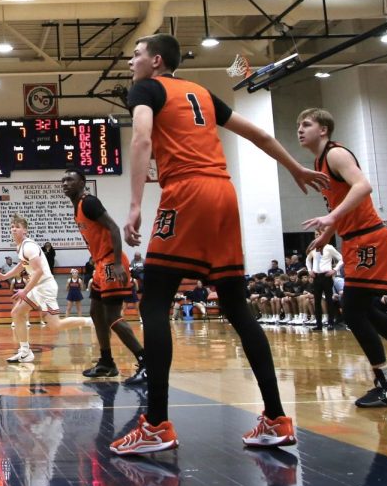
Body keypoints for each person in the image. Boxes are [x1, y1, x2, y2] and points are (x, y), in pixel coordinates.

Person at [111, 34, 327, 455]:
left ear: (156, 61)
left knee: (154, 304)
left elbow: (140, 139)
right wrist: (295, 168)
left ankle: (155, 424)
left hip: (187, 193)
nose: (130, 62)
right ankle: (276, 417)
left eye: (135, 55)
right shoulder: (202, 93)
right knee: (236, 306)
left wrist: (135, 204)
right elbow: (259, 135)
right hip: (224, 195)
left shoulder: (146, 89)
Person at [297, 108, 387, 408]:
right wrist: (329, 233)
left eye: (306, 124)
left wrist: (331, 217)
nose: (300, 129)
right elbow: (342, 201)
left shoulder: (336, 155)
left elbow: (363, 186)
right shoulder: (319, 161)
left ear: (323, 129)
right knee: (361, 310)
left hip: (368, 238)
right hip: (354, 240)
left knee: (353, 310)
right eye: (298, 125)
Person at [61, 170, 146, 383]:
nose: (65, 183)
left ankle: (146, 362)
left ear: (82, 183)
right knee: (96, 312)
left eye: (70, 179)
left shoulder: (89, 203)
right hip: (101, 263)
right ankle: (107, 362)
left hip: (111, 263)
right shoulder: (77, 207)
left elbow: (115, 229)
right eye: (63, 180)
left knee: (112, 316)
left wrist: (117, 263)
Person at [0, 216, 93, 364]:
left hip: (45, 286)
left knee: (55, 326)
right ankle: (25, 352)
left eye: (17, 226)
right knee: (17, 313)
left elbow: (38, 271)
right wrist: (4, 276)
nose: (14, 228)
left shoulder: (29, 246)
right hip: (37, 287)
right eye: (12, 226)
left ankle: (90, 321)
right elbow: (22, 265)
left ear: (25, 230)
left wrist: (25, 291)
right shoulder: (20, 247)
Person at [305, 238, 341, 330]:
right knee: (317, 301)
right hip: (316, 277)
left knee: (329, 299)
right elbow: (308, 259)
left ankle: (331, 323)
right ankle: (318, 324)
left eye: (319, 234)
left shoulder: (329, 247)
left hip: (326, 276)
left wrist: (334, 270)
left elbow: (341, 259)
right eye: (316, 234)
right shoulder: (313, 248)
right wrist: (309, 270)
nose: (317, 236)